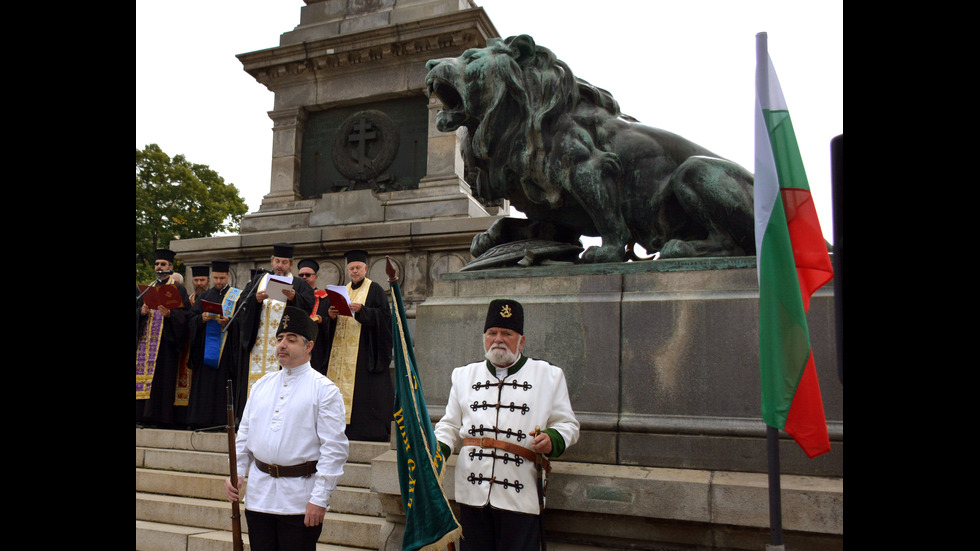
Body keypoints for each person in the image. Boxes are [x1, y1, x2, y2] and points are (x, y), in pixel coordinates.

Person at [434, 299, 579, 551]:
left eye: (506, 334)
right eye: (492, 333)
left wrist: (553, 439)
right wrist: (436, 453)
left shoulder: (549, 376)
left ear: (521, 340)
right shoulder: (463, 376)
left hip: (520, 493)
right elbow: (448, 426)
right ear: (484, 337)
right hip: (472, 491)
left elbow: (567, 424)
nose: (498, 339)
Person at [225, 306, 349, 551]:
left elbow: (334, 450)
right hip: (259, 499)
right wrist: (237, 472)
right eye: (280, 339)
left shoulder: (324, 390)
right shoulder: (261, 385)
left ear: (309, 346)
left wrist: (320, 499)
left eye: (291, 340)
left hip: (300, 500)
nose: (282, 344)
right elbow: (245, 437)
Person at [237, 243, 316, 414]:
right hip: (257, 345)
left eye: (285, 262)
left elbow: (309, 305)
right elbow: (241, 305)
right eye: (278, 261)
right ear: (272, 262)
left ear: (291, 265)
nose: (280, 266)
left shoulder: (299, 284)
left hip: (284, 346)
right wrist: (255, 301)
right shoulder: (259, 281)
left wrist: (295, 298)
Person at [324, 250, 393, 442]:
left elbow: (385, 318)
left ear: (365, 269)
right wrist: (331, 316)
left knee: (361, 393)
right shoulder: (341, 290)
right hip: (341, 350)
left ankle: (364, 432)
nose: (354, 271)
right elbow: (330, 323)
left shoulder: (375, 289)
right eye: (351, 268)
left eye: (358, 268)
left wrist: (363, 311)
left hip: (363, 352)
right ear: (348, 270)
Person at [136, 248, 192, 428]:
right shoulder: (147, 289)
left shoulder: (178, 289)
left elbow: (185, 316)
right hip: (146, 343)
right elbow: (138, 312)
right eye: (157, 264)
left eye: (163, 264)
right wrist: (141, 312)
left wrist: (170, 315)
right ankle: (140, 416)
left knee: (162, 380)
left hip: (165, 344)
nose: (159, 267)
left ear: (170, 266)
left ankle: (159, 418)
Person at [186, 259, 243, 430]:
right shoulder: (204, 296)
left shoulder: (237, 296)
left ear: (228, 277)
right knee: (203, 386)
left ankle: (221, 421)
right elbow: (190, 319)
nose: (219, 282)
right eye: (216, 278)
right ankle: (200, 420)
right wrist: (200, 319)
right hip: (205, 351)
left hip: (225, 353)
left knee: (222, 386)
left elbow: (242, 322)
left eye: (222, 278)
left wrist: (229, 321)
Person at [297, 258, 332, 376]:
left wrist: (322, 320)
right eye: (301, 275)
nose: (304, 277)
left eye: (308, 275)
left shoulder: (325, 298)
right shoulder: (293, 297)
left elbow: (332, 323)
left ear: (316, 277)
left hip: (317, 346)